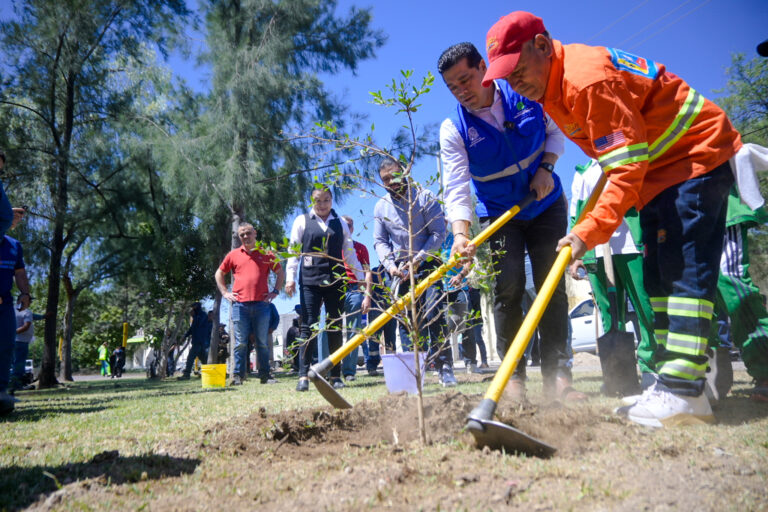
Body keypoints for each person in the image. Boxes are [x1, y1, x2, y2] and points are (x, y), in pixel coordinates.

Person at [482, 11, 741, 426]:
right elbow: (613, 163)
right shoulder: (553, 92)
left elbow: (624, 168)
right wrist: (584, 227)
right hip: (659, 173)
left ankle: (685, 392)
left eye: (517, 70)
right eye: (506, 78)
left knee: (683, 273)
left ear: (544, 46)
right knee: (657, 278)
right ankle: (674, 380)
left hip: (693, 158)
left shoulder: (585, 81)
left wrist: (588, 232)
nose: (515, 84)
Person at [437, 42, 579, 400]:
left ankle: (558, 375)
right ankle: (513, 375)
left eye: (466, 79)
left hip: (545, 202)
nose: (462, 91)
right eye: (453, 87)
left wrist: (547, 166)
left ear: (484, 67)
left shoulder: (523, 91)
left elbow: (557, 129)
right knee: (508, 288)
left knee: (550, 286)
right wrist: (459, 236)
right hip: (501, 215)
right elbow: (455, 186)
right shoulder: (454, 128)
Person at [569, 159, 657, 389]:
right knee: (609, 314)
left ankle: (651, 368)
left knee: (645, 308)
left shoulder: (625, 160)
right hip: (596, 251)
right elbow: (576, 214)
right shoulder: (583, 172)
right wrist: (577, 255)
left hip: (631, 244)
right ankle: (618, 375)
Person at [373, 157, 456, 387]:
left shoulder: (424, 197)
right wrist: (390, 265)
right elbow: (380, 241)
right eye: (385, 179)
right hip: (399, 271)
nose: (391, 182)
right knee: (406, 321)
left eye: (394, 176)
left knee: (433, 313)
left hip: (427, 265)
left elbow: (438, 234)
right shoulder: (381, 206)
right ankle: (412, 372)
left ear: (405, 172)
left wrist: (418, 260)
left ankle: (444, 365)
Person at [285, 187, 363, 392]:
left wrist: (361, 277)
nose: (322, 205)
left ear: (332, 200)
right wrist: (290, 278)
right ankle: (303, 375)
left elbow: (349, 251)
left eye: (326, 200)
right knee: (308, 326)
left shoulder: (341, 224)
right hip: (310, 280)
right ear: (312, 200)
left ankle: (335, 375)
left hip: (336, 280)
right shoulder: (302, 221)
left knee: (335, 325)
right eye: (318, 200)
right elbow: (293, 250)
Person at [215, 222, 284, 385]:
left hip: (262, 305)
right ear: (239, 237)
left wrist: (275, 291)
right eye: (242, 235)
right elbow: (219, 273)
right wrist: (225, 292)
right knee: (240, 343)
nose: (245, 236)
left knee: (262, 342)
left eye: (248, 233)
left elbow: (280, 272)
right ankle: (238, 376)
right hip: (239, 306)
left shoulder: (267, 253)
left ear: (255, 233)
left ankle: (265, 376)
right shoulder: (233, 255)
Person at [0, 187, 30, 414]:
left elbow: (19, 273)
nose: (17, 218)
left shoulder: (13, 245)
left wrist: (25, 293)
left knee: (6, 347)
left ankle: (1, 393)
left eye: (19, 215)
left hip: (5, 304)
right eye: (13, 214)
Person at [441, 232, 480, 374]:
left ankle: (471, 363)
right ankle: (445, 364)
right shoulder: (432, 240)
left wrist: (460, 275)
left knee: (466, 324)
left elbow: (470, 260)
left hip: (460, 288)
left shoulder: (457, 238)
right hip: (441, 291)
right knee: (442, 327)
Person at [340, 215, 372, 382]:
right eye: (343, 224)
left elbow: (367, 273)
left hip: (355, 291)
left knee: (354, 331)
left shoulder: (360, 248)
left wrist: (367, 296)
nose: (346, 227)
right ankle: (330, 369)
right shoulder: (332, 247)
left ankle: (349, 371)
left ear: (352, 228)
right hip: (335, 291)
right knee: (330, 331)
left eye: (349, 225)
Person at [363, 264, 397, 376]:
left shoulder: (396, 272)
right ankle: (372, 366)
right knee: (374, 339)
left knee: (390, 340)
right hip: (376, 310)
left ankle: (391, 365)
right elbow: (369, 289)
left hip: (392, 311)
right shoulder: (374, 271)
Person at [178, 302, 210, 380]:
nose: (192, 309)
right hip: (197, 341)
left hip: (200, 341)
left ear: (197, 307)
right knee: (204, 359)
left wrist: (194, 316)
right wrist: (185, 336)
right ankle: (210, 374)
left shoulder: (202, 315)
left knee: (190, 357)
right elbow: (192, 329)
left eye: (193, 307)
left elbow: (198, 326)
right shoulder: (196, 316)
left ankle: (186, 375)